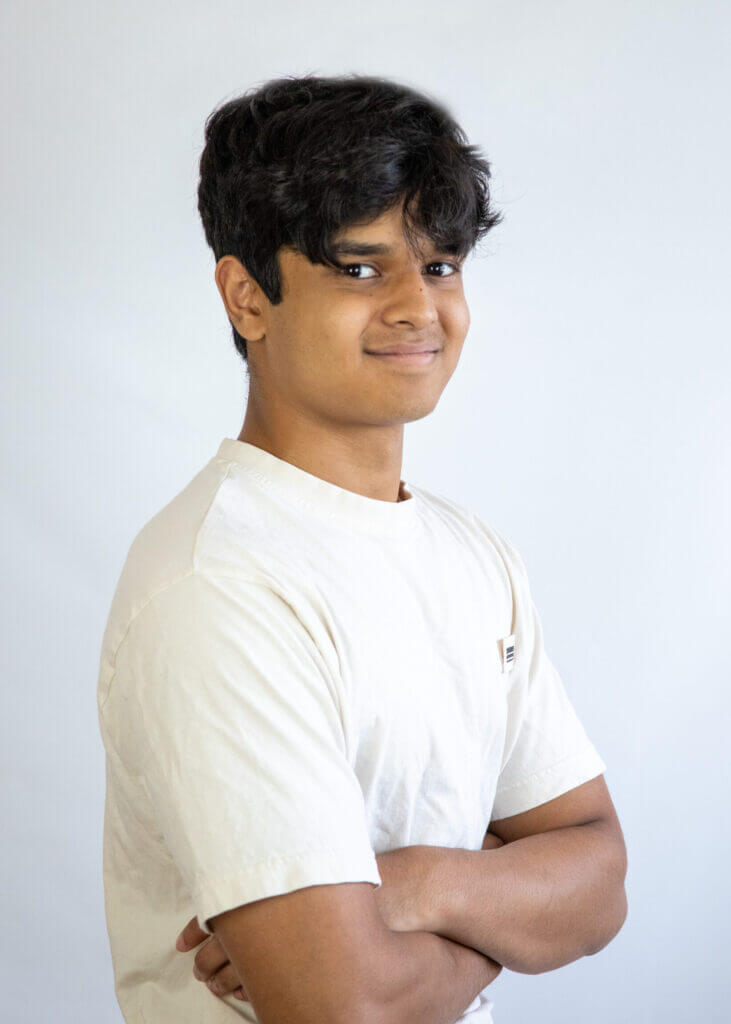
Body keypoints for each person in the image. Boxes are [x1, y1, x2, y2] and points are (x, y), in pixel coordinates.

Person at [97, 73, 627, 1024]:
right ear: (246, 297)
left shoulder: (471, 553)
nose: (417, 308)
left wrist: (412, 885)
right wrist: (504, 904)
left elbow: (597, 883)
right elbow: (345, 1006)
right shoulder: (220, 582)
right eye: (358, 268)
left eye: (439, 265)